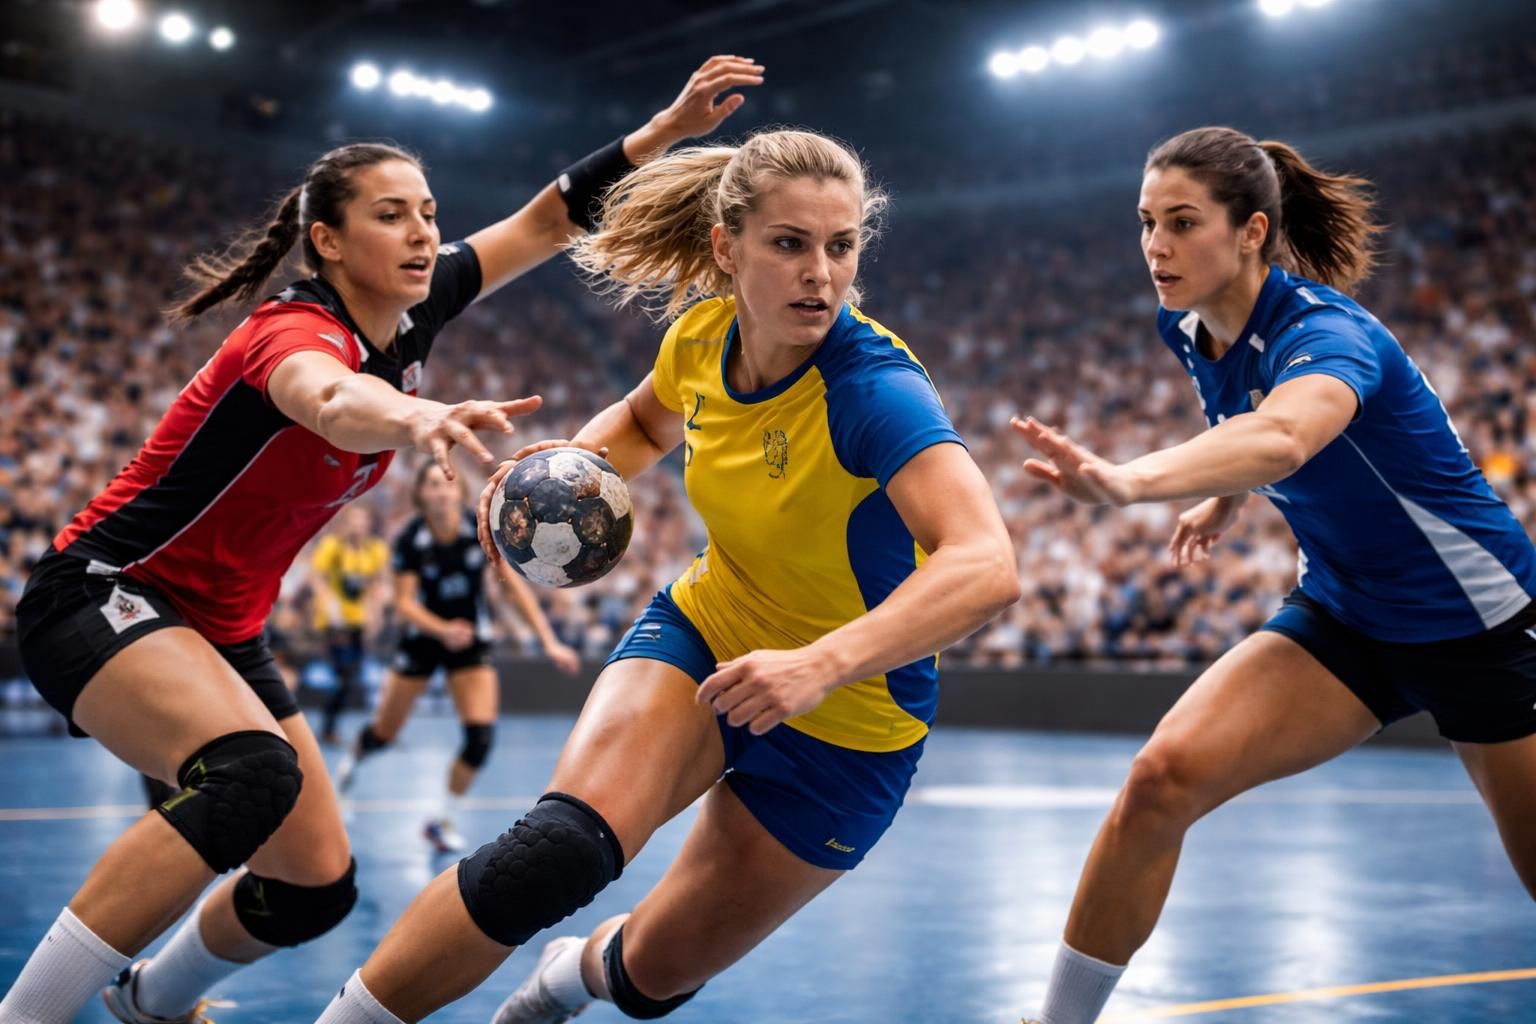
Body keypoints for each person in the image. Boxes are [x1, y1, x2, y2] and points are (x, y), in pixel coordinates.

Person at [0, 53, 764, 1024]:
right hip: (103, 591)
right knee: (248, 776)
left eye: (429, 212)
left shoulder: (414, 310)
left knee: (315, 885)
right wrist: (415, 420)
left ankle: (149, 1000)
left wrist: (656, 137)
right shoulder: (291, 335)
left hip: (219, 629)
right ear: (326, 239)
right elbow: (328, 399)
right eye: (391, 214)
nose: (422, 233)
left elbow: (546, 219)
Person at [311, 127, 1021, 1024]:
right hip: (709, 636)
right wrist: (565, 468)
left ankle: (565, 980)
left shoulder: (875, 391)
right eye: (790, 244)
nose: (821, 273)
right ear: (727, 249)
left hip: (852, 719)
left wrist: (820, 664)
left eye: (841, 247)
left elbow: (987, 564)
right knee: (556, 854)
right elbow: (647, 427)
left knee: (651, 979)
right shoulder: (700, 339)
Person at [1012, 126, 1536, 1024]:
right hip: (1346, 617)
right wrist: (1227, 496)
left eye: (1182, 223)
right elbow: (1253, 427)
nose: (1156, 247)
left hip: (1479, 628)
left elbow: (1290, 431)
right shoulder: (1187, 328)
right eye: (1145, 223)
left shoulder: (1332, 334)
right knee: (1159, 781)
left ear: (1252, 232)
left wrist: (1130, 479)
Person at [335, 460, 582, 854]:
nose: (441, 491)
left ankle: (442, 819)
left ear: (460, 492)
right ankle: (350, 764)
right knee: (384, 734)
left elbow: (511, 590)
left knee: (480, 739)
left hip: (469, 640)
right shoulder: (410, 541)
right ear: (421, 493)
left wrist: (549, 641)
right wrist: (442, 630)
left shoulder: (478, 530)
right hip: (423, 638)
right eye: (432, 483)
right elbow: (403, 604)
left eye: (448, 483)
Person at [311, 505, 391, 746]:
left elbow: (378, 583)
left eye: (362, 521)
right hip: (335, 622)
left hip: (359, 620)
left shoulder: (375, 549)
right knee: (343, 674)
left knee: (350, 674)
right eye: (353, 521)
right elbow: (317, 578)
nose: (358, 526)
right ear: (345, 523)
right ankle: (328, 728)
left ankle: (329, 726)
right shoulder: (332, 546)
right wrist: (330, 607)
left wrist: (376, 614)